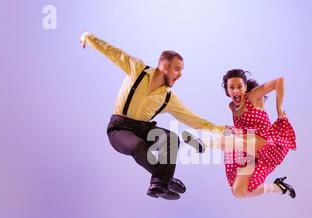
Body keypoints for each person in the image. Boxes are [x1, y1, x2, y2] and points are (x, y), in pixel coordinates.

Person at [80, 32, 225, 200]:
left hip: (143, 128)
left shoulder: (168, 97)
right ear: (164, 66)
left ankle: (159, 183)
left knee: (172, 139)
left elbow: (191, 118)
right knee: (138, 146)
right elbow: (112, 52)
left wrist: (219, 129)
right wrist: (87, 37)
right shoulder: (137, 69)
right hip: (118, 129)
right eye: (177, 69)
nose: (180, 75)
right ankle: (165, 180)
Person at [184, 69, 297, 199]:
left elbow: (279, 81)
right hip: (250, 152)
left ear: (245, 87)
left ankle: (203, 143)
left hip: (265, 144)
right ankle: (279, 187)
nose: (236, 91)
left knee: (234, 136)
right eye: (232, 87)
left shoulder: (253, 97)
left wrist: (279, 109)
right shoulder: (232, 107)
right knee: (238, 191)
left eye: (239, 87)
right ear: (227, 91)